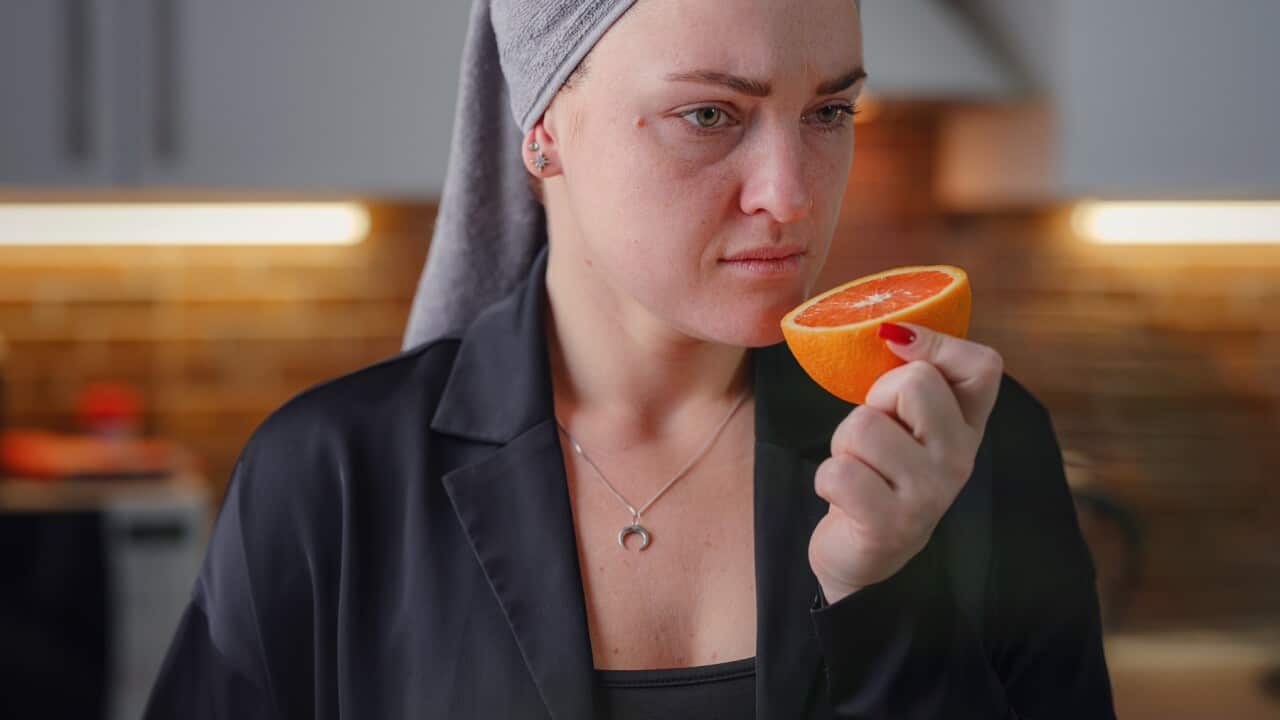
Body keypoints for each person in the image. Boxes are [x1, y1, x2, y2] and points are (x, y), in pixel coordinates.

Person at [143, 0, 1117, 718]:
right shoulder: (330, 475)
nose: (789, 196)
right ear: (541, 132)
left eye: (827, 113)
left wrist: (885, 592)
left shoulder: (959, 451)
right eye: (708, 114)